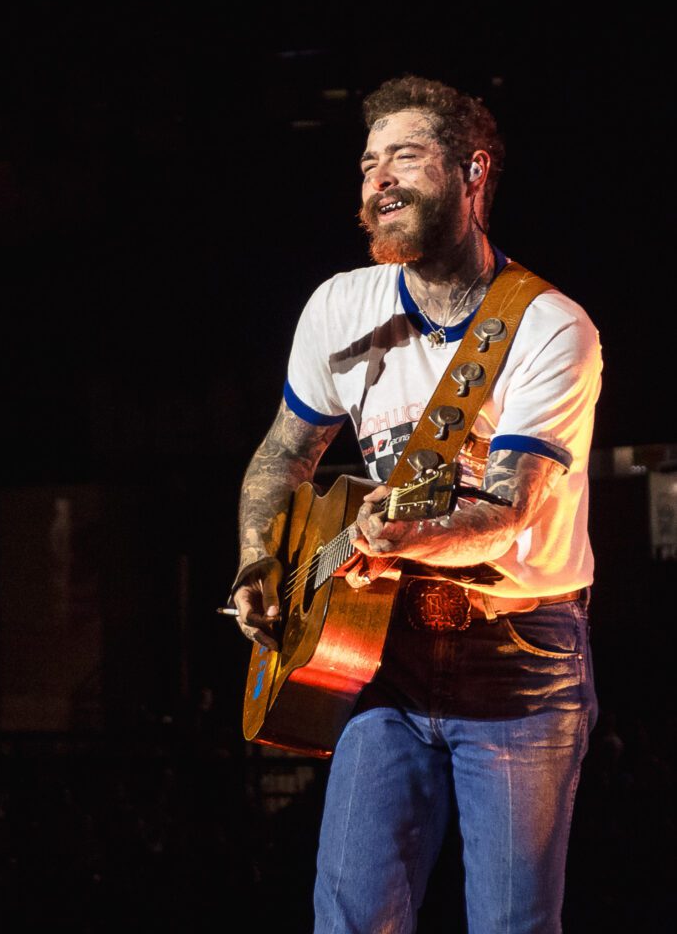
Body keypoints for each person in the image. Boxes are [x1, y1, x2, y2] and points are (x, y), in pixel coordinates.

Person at [230, 75, 602, 933]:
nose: (378, 180)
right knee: (351, 920)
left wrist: (398, 537)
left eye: (404, 156)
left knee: (510, 925)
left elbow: (506, 510)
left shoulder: (551, 327)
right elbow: (284, 454)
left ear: (472, 172)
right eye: (367, 164)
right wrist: (259, 558)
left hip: (517, 657)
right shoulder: (339, 304)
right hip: (377, 653)